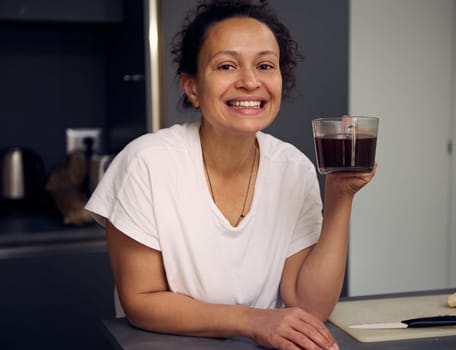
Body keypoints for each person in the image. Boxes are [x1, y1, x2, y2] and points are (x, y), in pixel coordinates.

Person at [86, 1, 376, 349]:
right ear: (191, 87)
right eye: (226, 65)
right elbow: (141, 300)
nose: (250, 82)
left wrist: (340, 195)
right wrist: (252, 320)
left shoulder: (293, 168)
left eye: (265, 65)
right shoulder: (147, 163)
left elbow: (308, 305)